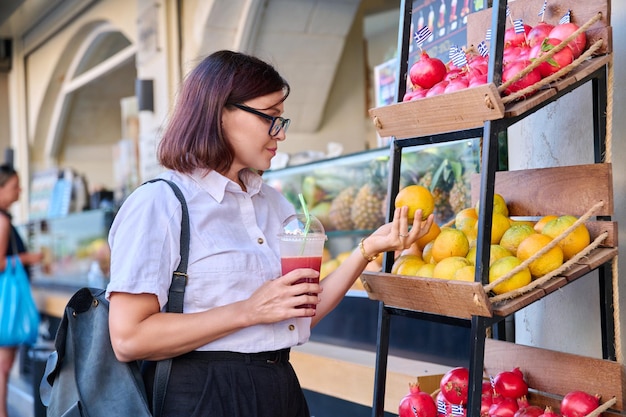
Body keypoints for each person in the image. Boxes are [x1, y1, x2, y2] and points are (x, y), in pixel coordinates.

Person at [106, 50, 434, 417]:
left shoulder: (275, 205)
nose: (280, 134)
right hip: (201, 395)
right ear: (220, 112)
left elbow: (300, 315)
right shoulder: (160, 203)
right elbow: (128, 338)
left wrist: (366, 249)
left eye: (282, 119)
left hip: (280, 387)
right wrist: (247, 311)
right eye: (271, 117)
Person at [0, 164, 44, 417]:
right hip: (7, 302)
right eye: (15, 185)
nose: (19, 190)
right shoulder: (3, 221)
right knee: (4, 366)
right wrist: (28, 258)